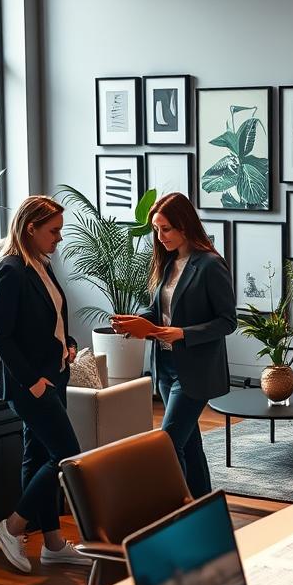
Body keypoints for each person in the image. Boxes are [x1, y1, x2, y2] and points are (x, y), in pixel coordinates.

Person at [112, 192, 236, 498]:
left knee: (167, 443)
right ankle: (203, 506)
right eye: (156, 229)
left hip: (194, 370)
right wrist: (137, 322)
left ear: (184, 225)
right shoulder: (169, 263)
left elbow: (227, 321)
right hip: (165, 368)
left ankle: (176, 509)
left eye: (165, 229)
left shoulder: (210, 265)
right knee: (189, 443)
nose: (160, 236)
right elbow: (159, 311)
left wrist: (182, 333)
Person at [0, 195, 88, 572]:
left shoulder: (41, 265)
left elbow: (52, 321)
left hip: (55, 376)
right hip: (31, 385)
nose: (59, 238)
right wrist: (32, 382)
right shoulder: (10, 271)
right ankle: (11, 528)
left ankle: (53, 544)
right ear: (31, 228)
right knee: (67, 454)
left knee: (38, 456)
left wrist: (69, 344)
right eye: (53, 231)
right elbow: (0, 336)